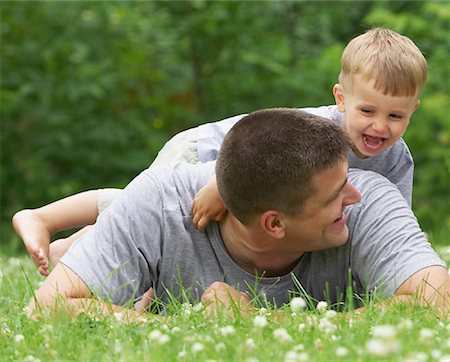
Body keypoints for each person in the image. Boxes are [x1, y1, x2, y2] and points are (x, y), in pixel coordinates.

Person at [12, 27, 427, 276]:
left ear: (413, 111)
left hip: (239, 169)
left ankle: (76, 248)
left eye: (395, 116)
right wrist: (218, 185)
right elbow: (257, 149)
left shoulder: (396, 159)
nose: (379, 126)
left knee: (163, 223)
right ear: (340, 99)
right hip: (208, 153)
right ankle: (43, 217)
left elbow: (390, 222)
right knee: (160, 213)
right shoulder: (315, 131)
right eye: (367, 110)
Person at [27, 109, 449, 319]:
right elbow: (47, 307)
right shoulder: (158, 200)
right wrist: (190, 325)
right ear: (275, 224)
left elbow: (440, 300)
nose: (354, 195)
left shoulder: (370, 199)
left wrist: (267, 323)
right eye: (336, 195)